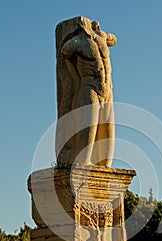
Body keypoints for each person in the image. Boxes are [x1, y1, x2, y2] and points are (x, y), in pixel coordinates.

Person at [56, 17, 116, 167]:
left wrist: (101, 32)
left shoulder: (100, 37)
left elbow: (114, 39)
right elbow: (64, 52)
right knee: (88, 128)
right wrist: (72, 79)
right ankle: (83, 160)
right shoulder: (76, 42)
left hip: (107, 90)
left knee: (108, 129)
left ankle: (105, 165)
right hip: (89, 88)